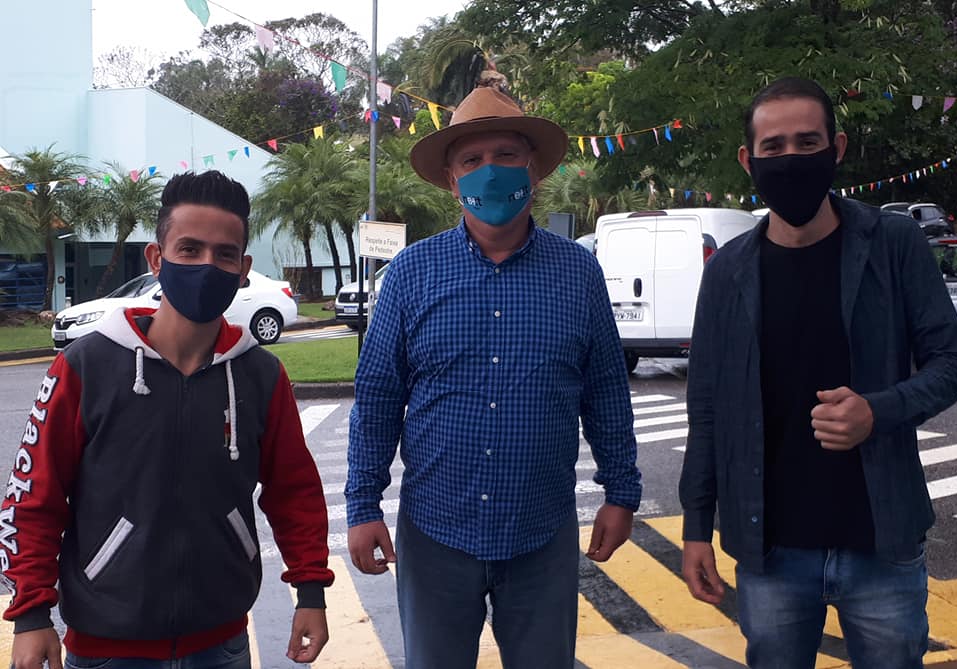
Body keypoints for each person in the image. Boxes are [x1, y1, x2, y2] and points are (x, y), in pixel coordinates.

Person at [345, 80, 642, 669]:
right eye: (471, 160)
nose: (490, 171)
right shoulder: (410, 275)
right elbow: (377, 397)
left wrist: (622, 492)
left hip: (541, 533)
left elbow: (606, 390)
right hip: (435, 533)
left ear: (533, 168)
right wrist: (362, 505)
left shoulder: (579, 274)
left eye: (506, 155)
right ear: (452, 179)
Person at [679, 76, 957, 669]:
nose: (790, 158)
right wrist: (696, 526)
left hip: (882, 542)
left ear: (837, 149)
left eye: (807, 143)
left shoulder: (893, 243)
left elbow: (951, 362)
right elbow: (706, 405)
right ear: (748, 160)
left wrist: (877, 410)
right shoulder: (727, 271)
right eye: (774, 146)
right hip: (771, 550)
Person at [1, 171, 334, 669]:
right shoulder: (86, 366)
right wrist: (31, 615)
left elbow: (294, 490)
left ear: (243, 269)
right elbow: (33, 496)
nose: (207, 266)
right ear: (157, 258)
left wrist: (310, 591)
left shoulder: (261, 375)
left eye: (225, 254)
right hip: (105, 648)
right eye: (189, 249)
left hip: (222, 645)